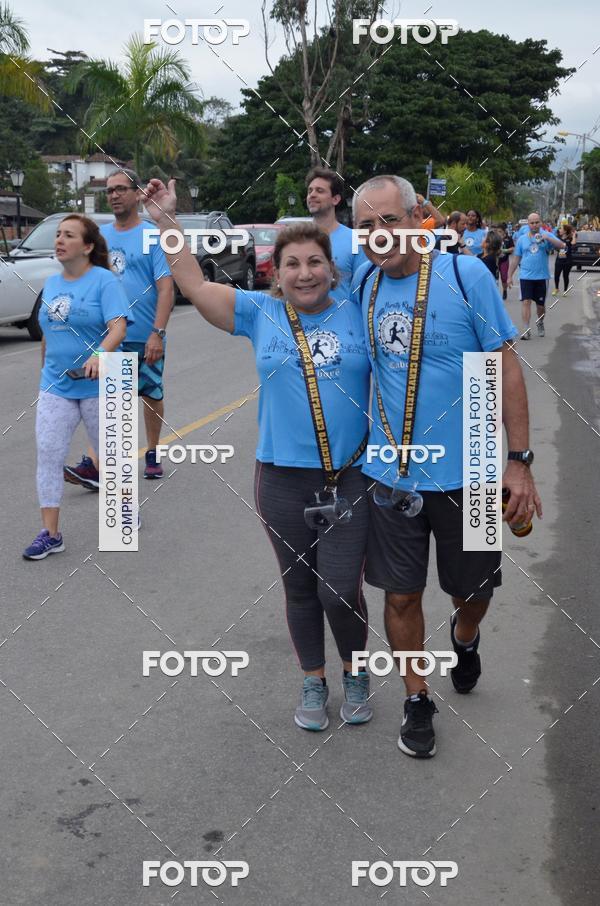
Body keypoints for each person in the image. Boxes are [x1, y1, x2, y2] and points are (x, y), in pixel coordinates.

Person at [144, 178, 373, 732]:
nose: (304, 273)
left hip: (348, 478)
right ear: (276, 272)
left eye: (315, 262)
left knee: (339, 589)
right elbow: (195, 284)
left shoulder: (358, 308)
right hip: (280, 478)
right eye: (291, 263)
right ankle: (314, 679)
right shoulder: (257, 312)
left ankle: (357, 671)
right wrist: (168, 225)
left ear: (332, 268)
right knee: (299, 587)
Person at [352, 175, 542, 758]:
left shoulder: (466, 276)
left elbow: (503, 367)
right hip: (390, 475)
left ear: (418, 220)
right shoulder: (361, 283)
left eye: (389, 221)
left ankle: (465, 635)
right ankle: (416, 697)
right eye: (366, 226)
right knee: (401, 596)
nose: (379, 236)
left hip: (475, 470)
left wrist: (519, 462)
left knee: (474, 589)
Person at [24, 215, 130, 560]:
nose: (59, 240)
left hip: (102, 381)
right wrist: (44, 374)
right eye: (57, 234)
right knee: (49, 455)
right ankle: (50, 534)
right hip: (56, 384)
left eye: (68, 235)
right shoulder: (52, 284)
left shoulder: (104, 281)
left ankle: (125, 510)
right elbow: (48, 335)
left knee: (112, 458)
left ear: (86, 247)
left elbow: (118, 328)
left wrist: (102, 355)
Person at [64, 168, 173, 488]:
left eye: (120, 189)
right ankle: (97, 464)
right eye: (109, 190)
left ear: (137, 193)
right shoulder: (100, 237)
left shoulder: (152, 235)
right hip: (112, 336)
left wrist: (158, 333)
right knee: (110, 401)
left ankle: (152, 452)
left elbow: (166, 288)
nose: (113, 195)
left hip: (145, 333)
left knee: (151, 394)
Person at [305, 166, 368, 302]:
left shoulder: (355, 240)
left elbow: (365, 289)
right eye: (310, 191)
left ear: (335, 199)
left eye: (319, 191)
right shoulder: (298, 239)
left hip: (344, 321)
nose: (312, 195)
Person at [507, 212, 565, 339]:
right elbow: (516, 259)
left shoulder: (546, 235)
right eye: (532, 223)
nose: (534, 225)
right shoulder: (522, 239)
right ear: (528, 224)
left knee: (540, 306)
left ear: (541, 222)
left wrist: (548, 238)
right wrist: (509, 276)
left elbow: (562, 245)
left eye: (537, 222)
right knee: (526, 301)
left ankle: (540, 322)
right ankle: (526, 329)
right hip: (525, 276)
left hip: (542, 277)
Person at [552, 223, 576, 295]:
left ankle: (565, 290)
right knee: (556, 275)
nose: (560, 230)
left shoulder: (570, 238)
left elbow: (573, 243)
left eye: (561, 229)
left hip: (567, 261)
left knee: (565, 276)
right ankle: (556, 288)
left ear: (565, 231)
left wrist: (574, 235)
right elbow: (555, 246)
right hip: (559, 260)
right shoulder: (558, 238)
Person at [497, 225, 514, 300]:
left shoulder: (508, 239)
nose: (498, 233)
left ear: (504, 231)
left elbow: (513, 248)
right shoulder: (494, 238)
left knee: (504, 277)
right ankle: (495, 293)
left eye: (500, 231)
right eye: (497, 231)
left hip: (504, 260)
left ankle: (504, 290)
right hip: (495, 261)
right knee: (495, 278)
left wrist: (504, 250)